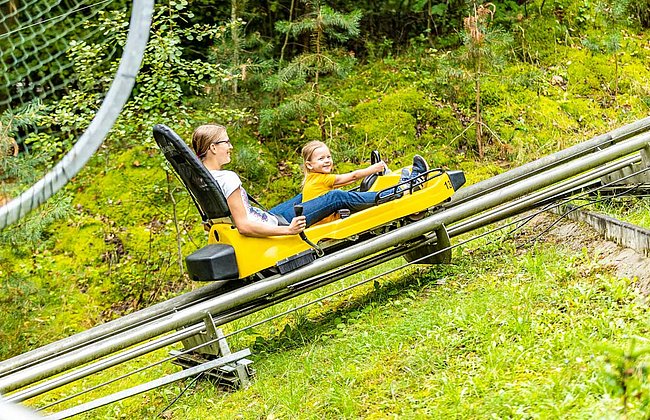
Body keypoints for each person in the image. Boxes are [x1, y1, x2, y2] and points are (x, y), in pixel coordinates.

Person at [192, 124, 429, 235]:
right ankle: (401, 191)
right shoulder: (227, 178)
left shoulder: (203, 180)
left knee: (306, 194)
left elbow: (214, 221)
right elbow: (243, 226)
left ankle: (363, 193)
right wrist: (290, 231)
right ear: (213, 147)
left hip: (269, 217)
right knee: (335, 196)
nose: (230, 147)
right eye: (226, 142)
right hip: (276, 225)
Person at [300, 140, 430, 224]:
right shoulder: (321, 178)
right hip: (329, 220)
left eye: (328, 157)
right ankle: (401, 190)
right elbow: (353, 176)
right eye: (321, 159)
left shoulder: (313, 180)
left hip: (325, 218)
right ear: (309, 165)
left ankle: (395, 188)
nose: (327, 160)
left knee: (356, 194)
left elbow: (344, 182)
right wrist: (373, 169)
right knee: (342, 196)